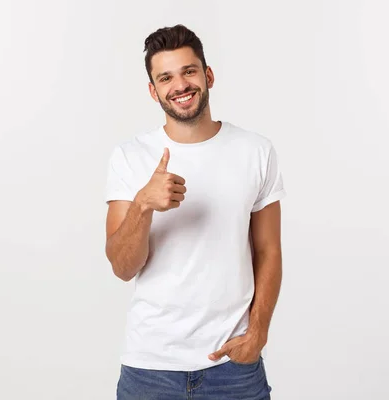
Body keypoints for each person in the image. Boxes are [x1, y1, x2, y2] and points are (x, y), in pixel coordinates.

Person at [104, 24, 286, 399]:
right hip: (150, 369)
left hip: (233, 368)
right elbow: (123, 267)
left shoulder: (256, 151)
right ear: (153, 91)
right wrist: (142, 205)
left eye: (189, 71)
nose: (180, 85)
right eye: (166, 77)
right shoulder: (130, 157)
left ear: (208, 75)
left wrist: (257, 334)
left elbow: (268, 250)